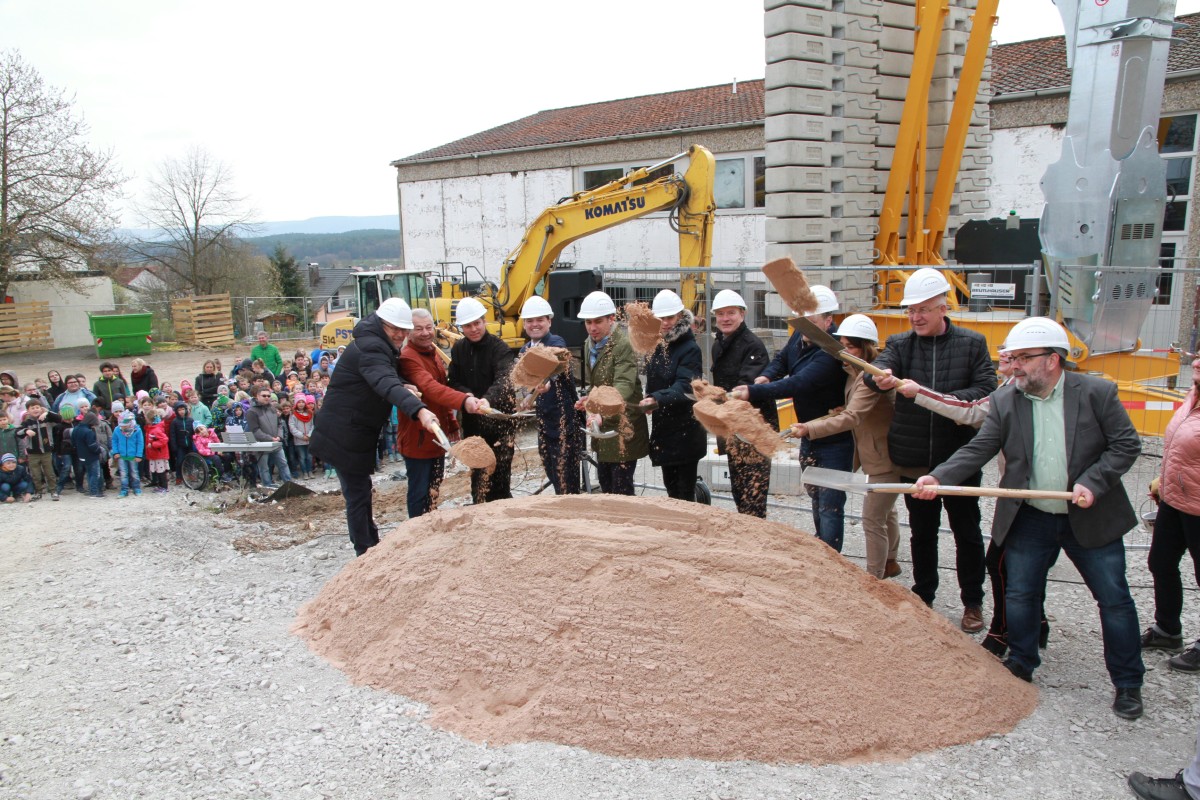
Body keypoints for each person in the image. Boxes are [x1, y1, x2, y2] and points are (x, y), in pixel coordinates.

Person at [913, 317, 1145, 719]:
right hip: (1031, 515)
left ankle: (1127, 683)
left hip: (1089, 515)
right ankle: (1021, 661)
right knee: (1020, 593)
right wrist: (939, 477)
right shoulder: (1006, 400)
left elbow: (1125, 445)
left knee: (1114, 600)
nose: (1013, 366)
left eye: (1022, 358)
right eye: (1011, 357)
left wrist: (1094, 481)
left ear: (1053, 360)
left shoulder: (1097, 393)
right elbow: (980, 447)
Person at [865, 267, 997, 632]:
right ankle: (924, 597)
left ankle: (973, 602)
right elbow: (875, 368)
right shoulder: (900, 344)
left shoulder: (972, 344)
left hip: (958, 458)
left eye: (923, 309)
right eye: (910, 310)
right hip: (913, 457)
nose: (916, 317)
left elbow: (985, 389)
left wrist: (937, 398)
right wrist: (877, 376)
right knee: (922, 533)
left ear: (943, 307)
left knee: (966, 532)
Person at [310, 298, 438, 555]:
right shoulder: (371, 347)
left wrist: (402, 383)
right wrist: (419, 410)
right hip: (344, 433)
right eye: (395, 329)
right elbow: (383, 382)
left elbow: (385, 376)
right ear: (382, 323)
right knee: (357, 495)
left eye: (404, 330)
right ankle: (366, 552)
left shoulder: (376, 343)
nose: (401, 335)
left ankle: (369, 545)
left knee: (360, 491)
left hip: (353, 430)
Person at [734, 285, 853, 551]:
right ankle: (822, 547)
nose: (805, 328)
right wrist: (767, 374)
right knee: (815, 493)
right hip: (807, 431)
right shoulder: (801, 334)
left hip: (834, 436)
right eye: (801, 321)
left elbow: (798, 383)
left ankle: (832, 558)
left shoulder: (831, 351)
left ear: (828, 320)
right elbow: (782, 359)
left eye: (811, 322)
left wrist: (753, 390)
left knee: (830, 503)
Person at [793, 314, 901, 578]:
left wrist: (810, 428)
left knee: (873, 518)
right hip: (868, 450)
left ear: (866, 347)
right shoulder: (853, 372)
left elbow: (854, 416)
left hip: (884, 454)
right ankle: (891, 560)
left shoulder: (871, 375)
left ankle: (873, 579)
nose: (844, 351)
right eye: (842, 345)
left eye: (850, 346)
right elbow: (857, 409)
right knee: (887, 511)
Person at [1141, 354, 1200, 672]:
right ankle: (1167, 630)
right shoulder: (1194, 394)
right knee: (1160, 562)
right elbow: (1179, 445)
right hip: (1176, 499)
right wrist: (1163, 480)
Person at [708, 289, 776, 517]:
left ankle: (757, 541)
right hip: (732, 430)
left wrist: (716, 399)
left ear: (743, 314)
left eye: (731, 313)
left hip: (754, 431)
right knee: (738, 488)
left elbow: (746, 388)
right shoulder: (719, 344)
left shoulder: (752, 346)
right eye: (720, 314)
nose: (725, 318)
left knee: (753, 491)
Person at [575, 291, 649, 495]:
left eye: (598, 321)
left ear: (611, 319)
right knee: (606, 483)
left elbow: (623, 385)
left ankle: (627, 526)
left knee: (621, 489)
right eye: (588, 322)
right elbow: (597, 385)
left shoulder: (623, 344)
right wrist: (589, 400)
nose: (592, 327)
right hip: (603, 426)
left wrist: (601, 411)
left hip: (623, 424)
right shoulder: (589, 343)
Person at [447, 297, 517, 504]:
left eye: (477, 323)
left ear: (484, 321)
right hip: (472, 423)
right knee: (478, 475)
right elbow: (454, 380)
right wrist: (467, 396)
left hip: (500, 422)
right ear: (462, 327)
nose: (474, 329)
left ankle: (502, 511)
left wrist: (487, 400)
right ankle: (480, 509)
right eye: (468, 325)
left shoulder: (499, 348)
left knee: (500, 477)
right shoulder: (459, 349)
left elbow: (505, 380)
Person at [638, 289, 706, 501]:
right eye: (661, 318)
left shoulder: (689, 348)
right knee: (671, 489)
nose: (665, 322)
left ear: (679, 317)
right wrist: (651, 397)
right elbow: (655, 378)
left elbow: (686, 386)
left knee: (684, 492)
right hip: (665, 427)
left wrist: (656, 398)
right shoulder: (658, 345)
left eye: (669, 317)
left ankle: (688, 530)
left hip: (685, 429)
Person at [517, 296, 582, 495]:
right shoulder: (525, 349)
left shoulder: (555, 341)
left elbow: (557, 361)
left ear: (549, 321)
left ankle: (573, 516)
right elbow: (527, 381)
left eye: (540, 320)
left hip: (564, 424)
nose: (534, 324)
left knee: (567, 480)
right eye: (530, 321)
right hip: (545, 424)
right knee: (552, 472)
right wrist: (528, 395)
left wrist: (547, 381)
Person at [246, 389, 290, 488]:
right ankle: (267, 487)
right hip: (261, 444)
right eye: (264, 396)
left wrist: (279, 436)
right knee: (264, 467)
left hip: (276, 443)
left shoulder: (272, 409)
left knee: (283, 464)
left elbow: (279, 424)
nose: (267, 398)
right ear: (257, 396)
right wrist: (270, 438)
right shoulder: (251, 411)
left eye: (268, 396)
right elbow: (255, 430)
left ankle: (289, 485)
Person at [16, 399, 59, 498]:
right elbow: (18, 432)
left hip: (46, 451)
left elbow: (59, 419)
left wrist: (47, 412)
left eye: (37, 407)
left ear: (41, 408)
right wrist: (26, 431)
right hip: (32, 453)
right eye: (32, 408)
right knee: (35, 473)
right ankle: (38, 491)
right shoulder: (27, 422)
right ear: (28, 411)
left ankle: (53, 491)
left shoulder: (47, 419)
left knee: (50, 472)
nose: (35, 410)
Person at [70, 411, 104, 498]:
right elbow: (92, 446)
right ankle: (94, 492)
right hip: (91, 456)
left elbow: (73, 442)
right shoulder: (88, 432)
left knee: (89, 473)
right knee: (95, 474)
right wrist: (99, 450)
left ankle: (91, 490)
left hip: (81, 455)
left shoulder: (76, 429)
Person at [110, 411, 144, 497]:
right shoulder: (117, 430)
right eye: (121, 425)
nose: (123, 427)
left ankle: (136, 487)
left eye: (125, 425)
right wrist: (116, 452)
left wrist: (139, 455)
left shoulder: (137, 430)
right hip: (121, 456)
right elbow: (114, 441)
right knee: (123, 473)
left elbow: (140, 443)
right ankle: (124, 489)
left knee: (134, 472)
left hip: (133, 456)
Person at [288, 395, 316, 479]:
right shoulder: (293, 414)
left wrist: (309, 435)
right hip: (299, 440)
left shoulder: (310, 413)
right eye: (299, 402)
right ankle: (304, 472)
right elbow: (292, 428)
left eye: (303, 402)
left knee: (309, 457)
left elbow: (313, 425)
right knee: (302, 457)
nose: (301, 404)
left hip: (309, 439)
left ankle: (310, 471)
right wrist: (301, 436)